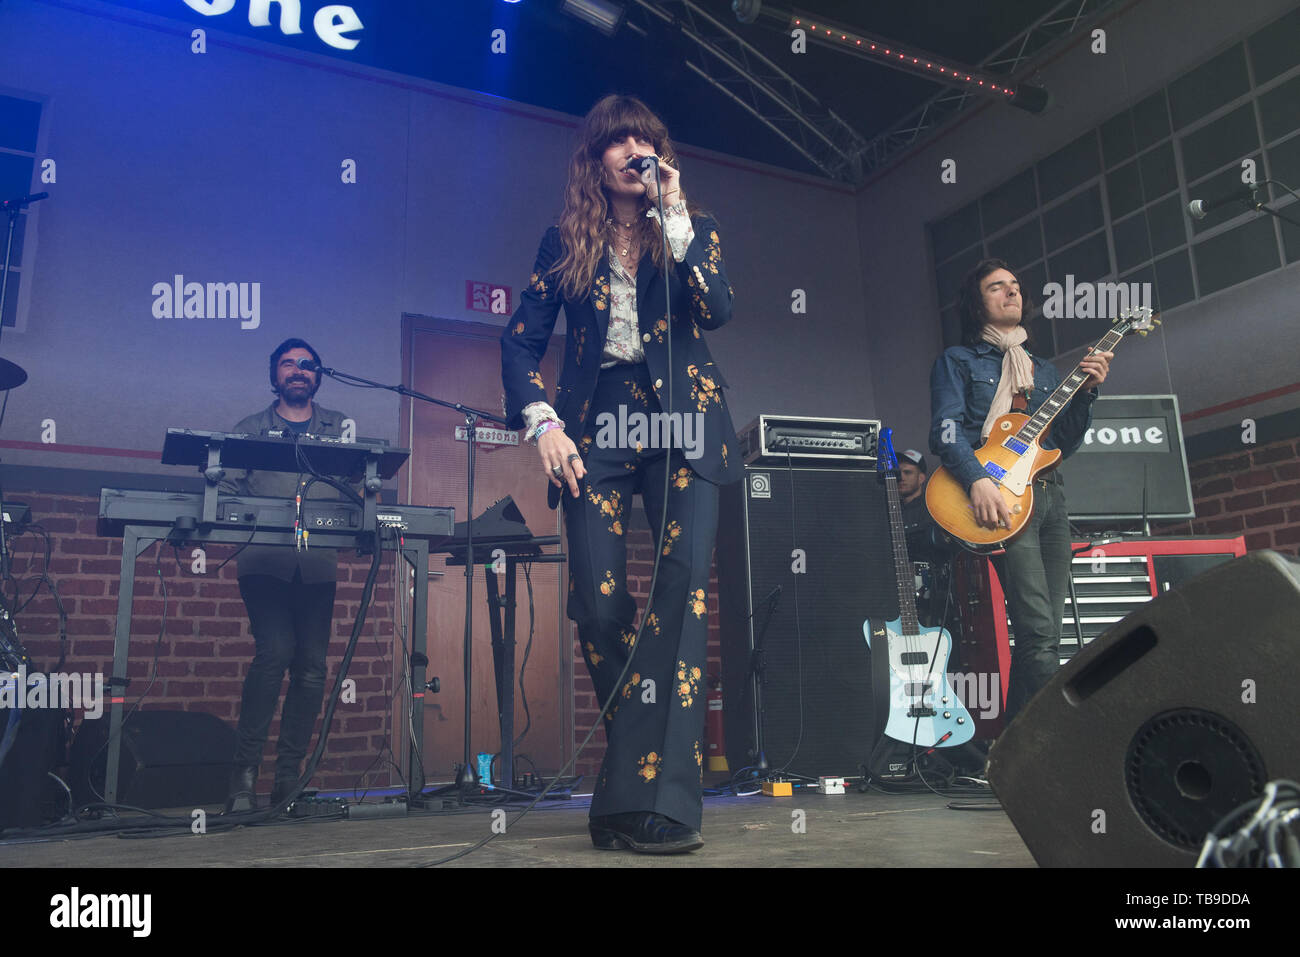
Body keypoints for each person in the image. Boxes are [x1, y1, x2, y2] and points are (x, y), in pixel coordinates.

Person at [500, 94, 740, 853]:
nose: (634, 149)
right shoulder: (561, 242)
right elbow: (518, 343)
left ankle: (656, 800)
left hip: (684, 421)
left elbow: (718, 306)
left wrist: (676, 213)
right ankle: (634, 783)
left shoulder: (690, 233)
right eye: (619, 140)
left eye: (646, 140)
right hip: (597, 420)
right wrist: (543, 423)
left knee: (681, 589)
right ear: (596, 158)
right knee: (599, 609)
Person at [928, 260, 1111, 723]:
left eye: (1014, 286)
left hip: (1050, 497)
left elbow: (1061, 443)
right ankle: (1069, 733)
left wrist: (1087, 393)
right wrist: (977, 480)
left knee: (1046, 632)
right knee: (1035, 629)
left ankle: (1010, 752)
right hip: (998, 497)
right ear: (977, 302)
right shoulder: (958, 361)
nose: (1010, 293)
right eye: (996, 287)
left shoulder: (1044, 370)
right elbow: (945, 431)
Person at [223, 337, 352, 811]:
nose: (298, 371)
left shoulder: (340, 429)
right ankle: (243, 778)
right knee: (275, 652)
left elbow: (360, 487)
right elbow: (226, 489)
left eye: (307, 365)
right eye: (288, 364)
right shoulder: (250, 429)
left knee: (312, 669)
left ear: (318, 375)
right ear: (274, 375)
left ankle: (287, 781)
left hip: (317, 567)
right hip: (264, 564)